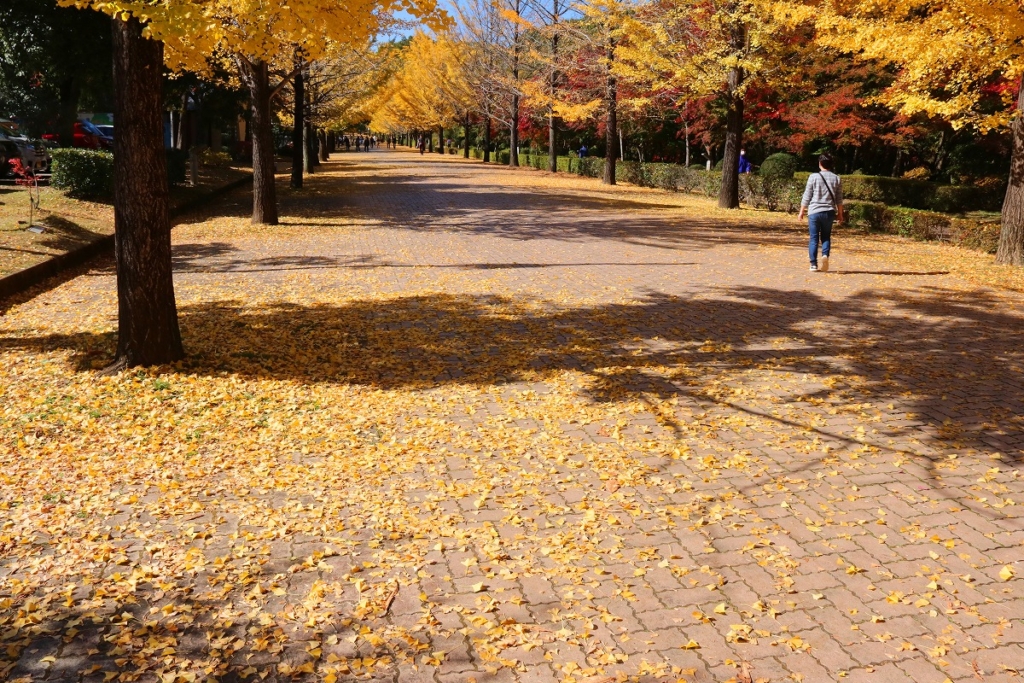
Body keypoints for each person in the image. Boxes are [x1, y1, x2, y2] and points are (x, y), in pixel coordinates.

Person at [798, 153, 844, 272]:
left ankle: (813, 264)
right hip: (829, 212)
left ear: (820, 164)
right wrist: (840, 214)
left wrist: (802, 211)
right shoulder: (836, 178)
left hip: (814, 212)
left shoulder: (813, 177)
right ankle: (825, 255)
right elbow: (839, 198)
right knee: (826, 236)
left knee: (813, 238)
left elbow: (807, 195)